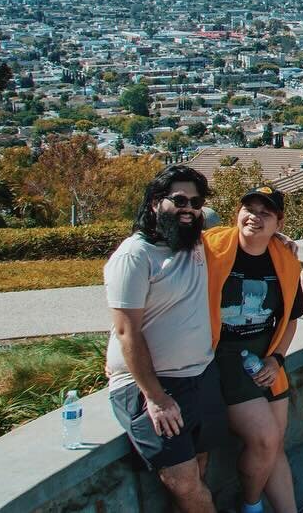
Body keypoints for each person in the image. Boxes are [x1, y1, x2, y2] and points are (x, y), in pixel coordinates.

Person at [105, 166, 224, 513]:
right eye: (179, 200)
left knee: (199, 470)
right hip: (154, 387)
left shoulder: (196, 247)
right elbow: (128, 330)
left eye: (196, 202)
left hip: (200, 377)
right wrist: (155, 397)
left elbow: (245, 233)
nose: (189, 208)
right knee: (185, 483)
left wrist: (279, 238)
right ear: (156, 202)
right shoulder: (133, 256)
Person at [203, 185, 303, 513]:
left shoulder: (284, 259)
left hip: (265, 358)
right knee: (264, 439)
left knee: (274, 446)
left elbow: (290, 317)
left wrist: (276, 359)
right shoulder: (210, 249)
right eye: (250, 208)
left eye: (266, 213)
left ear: (279, 221)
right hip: (224, 357)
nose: (255, 217)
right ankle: (251, 506)